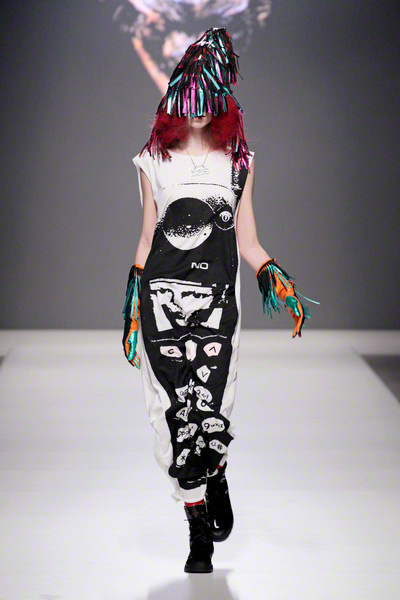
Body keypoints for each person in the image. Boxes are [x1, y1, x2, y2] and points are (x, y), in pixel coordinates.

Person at [122, 27, 319, 574]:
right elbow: (147, 238)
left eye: (209, 101)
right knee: (170, 417)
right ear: (176, 98)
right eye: (191, 100)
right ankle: (197, 535)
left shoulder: (239, 162)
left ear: (222, 100)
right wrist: (132, 308)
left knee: (211, 410)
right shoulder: (152, 161)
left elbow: (247, 240)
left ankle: (217, 473)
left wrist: (276, 279)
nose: (199, 112)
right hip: (160, 303)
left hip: (217, 308)